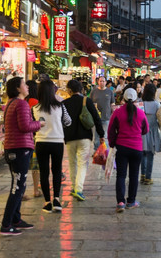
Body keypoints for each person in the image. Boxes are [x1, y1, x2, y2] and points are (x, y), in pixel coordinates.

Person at [1, 77, 44, 235]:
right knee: (17, 187)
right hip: (20, 148)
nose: (27, 86)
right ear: (18, 88)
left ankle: (16, 219)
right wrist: (39, 124)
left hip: (13, 148)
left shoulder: (11, 103)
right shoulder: (21, 104)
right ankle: (6, 224)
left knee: (19, 185)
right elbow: (25, 126)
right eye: (24, 84)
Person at [33, 79, 72, 213]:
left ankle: (47, 202)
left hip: (41, 142)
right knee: (56, 171)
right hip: (57, 142)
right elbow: (68, 122)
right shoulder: (60, 106)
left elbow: (32, 126)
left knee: (44, 172)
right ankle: (56, 199)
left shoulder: (35, 108)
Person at [62, 79, 104, 201]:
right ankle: (78, 189)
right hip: (84, 137)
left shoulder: (64, 103)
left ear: (69, 90)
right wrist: (101, 134)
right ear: (81, 89)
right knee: (82, 164)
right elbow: (97, 118)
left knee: (72, 162)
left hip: (69, 137)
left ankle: (74, 187)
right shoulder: (87, 101)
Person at [108, 88, 148, 212]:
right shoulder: (141, 113)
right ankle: (131, 201)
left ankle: (120, 202)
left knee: (121, 175)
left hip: (122, 148)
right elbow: (145, 130)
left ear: (123, 99)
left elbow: (110, 130)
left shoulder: (117, 112)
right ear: (136, 99)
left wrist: (112, 144)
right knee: (134, 176)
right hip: (137, 149)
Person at [140, 83, 161, 185]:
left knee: (143, 154)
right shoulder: (157, 104)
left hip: (141, 132)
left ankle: (142, 175)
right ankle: (148, 177)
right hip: (152, 131)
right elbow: (160, 119)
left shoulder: (141, 103)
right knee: (150, 155)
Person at [25, 80, 41, 198]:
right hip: (34, 137)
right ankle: (36, 189)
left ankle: (23, 190)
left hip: (25, 138)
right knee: (35, 166)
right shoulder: (35, 102)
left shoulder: (22, 101)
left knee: (24, 166)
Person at [90, 76, 114, 150]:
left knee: (105, 136)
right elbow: (90, 103)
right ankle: (96, 151)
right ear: (98, 82)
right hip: (95, 117)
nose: (102, 83)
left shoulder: (110, 92)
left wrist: (112, 113)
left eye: (103, 81)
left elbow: (112, 104)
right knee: (96, 136)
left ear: (106, 82)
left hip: (106, 117)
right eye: (100, 81)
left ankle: (104, 151)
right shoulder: (94, 91)